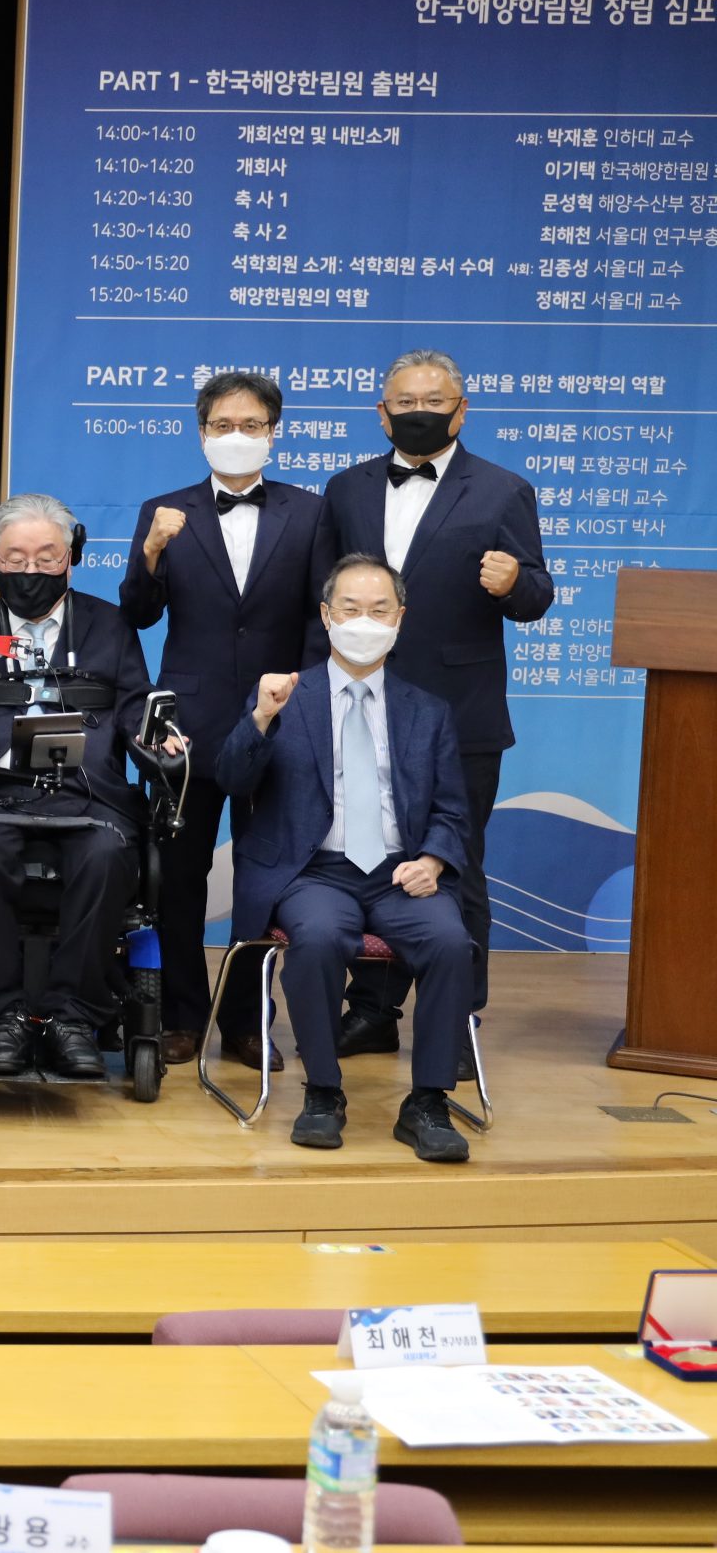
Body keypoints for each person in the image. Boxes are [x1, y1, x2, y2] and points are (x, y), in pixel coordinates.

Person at [321, 348, 551, 1058]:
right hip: (359, 705)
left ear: (462, 407)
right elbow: (322, 596)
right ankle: (371, 1010)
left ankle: (456, 1020)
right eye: (405, 401)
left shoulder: (502, 489)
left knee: (455, 862)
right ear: (380, 409)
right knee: (366, 855)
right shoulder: (346, 488)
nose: (420, 411)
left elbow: (537, 596)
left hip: (460, 713)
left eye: (434, 400)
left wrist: (514, 580)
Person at [212, 554, 477, 1164]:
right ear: (327, 617)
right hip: (313, 873)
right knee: (321, 937)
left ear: (400, 620)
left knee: (449, 943)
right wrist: (260, 717)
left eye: (379, 610)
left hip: (398, 874)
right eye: (351, 609)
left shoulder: (426, 710)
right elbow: (230, 778)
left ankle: (429, 1102)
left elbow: (452, 809)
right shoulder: (285, 695)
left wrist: (433, 861)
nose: (365, 620)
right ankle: (323, 1093)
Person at [0, 493, 176, 1080]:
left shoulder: (109, 626)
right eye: (14, 559)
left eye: (45, 557)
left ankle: (73, 1016)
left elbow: (137, 702)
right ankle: (0, 1015)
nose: (29, 571)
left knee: (109, 854)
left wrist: (161, 737)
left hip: (89, 795)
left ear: (72, 557)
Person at [118, 370, 331, 1069]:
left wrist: (297, 698)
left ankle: (246, 1019)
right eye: (221, 425)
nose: (235, 436)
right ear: (200, 430)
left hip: (277, 717)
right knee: (177, 876)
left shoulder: (310, 511)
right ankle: (181, 1014)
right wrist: (150, 550)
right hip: (191, 724)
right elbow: (138, 612)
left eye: (251, 424)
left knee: (264, 875)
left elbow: (317, 614)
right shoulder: (166, 508)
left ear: (274, 432)